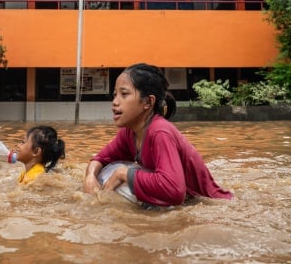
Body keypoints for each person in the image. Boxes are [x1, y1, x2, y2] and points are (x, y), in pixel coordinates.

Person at [82, 63, 233, 207]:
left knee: (122, 170)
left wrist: (123, 174)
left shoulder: (160, 132)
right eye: (115, 95)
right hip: (184, 203)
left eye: (124, 94)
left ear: (148, 102)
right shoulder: (129, 132)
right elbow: (100, 159)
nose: (115, 102)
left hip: (213, 205)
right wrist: (90, 176)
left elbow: (175, 190)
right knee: (111, 169)